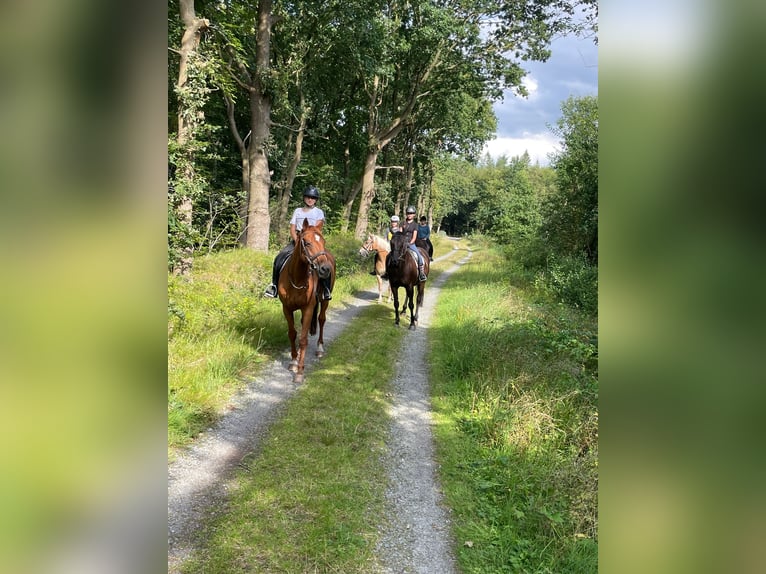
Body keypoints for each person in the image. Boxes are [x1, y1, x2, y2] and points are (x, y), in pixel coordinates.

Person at [264, 186, 333, 300]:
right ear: (304, 198)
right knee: (279, 257)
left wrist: (308, 240)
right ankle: (274, 286)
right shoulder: (297, 211)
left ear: (316, 200)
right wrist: (297, 241)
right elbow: (292, 228)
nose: (310, 199)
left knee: (325, 262)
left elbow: (318, 228)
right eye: (308, 197)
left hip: (313, 242)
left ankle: (325, 289)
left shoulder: (318, 212)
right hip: (298, 241)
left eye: (313, 198)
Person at [400, 206, 427, 282]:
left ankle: (421, 273)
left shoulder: (415, 225)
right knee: (391, 255)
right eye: (408, 213)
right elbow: (400, 234)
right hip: (402, 244)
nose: (409, 215)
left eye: (411, 213)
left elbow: (414, 237)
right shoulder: (402, 223)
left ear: (414, 215)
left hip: (411, 244)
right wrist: (402, 243)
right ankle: (388, 272)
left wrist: (409, 243)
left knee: (419, 256)